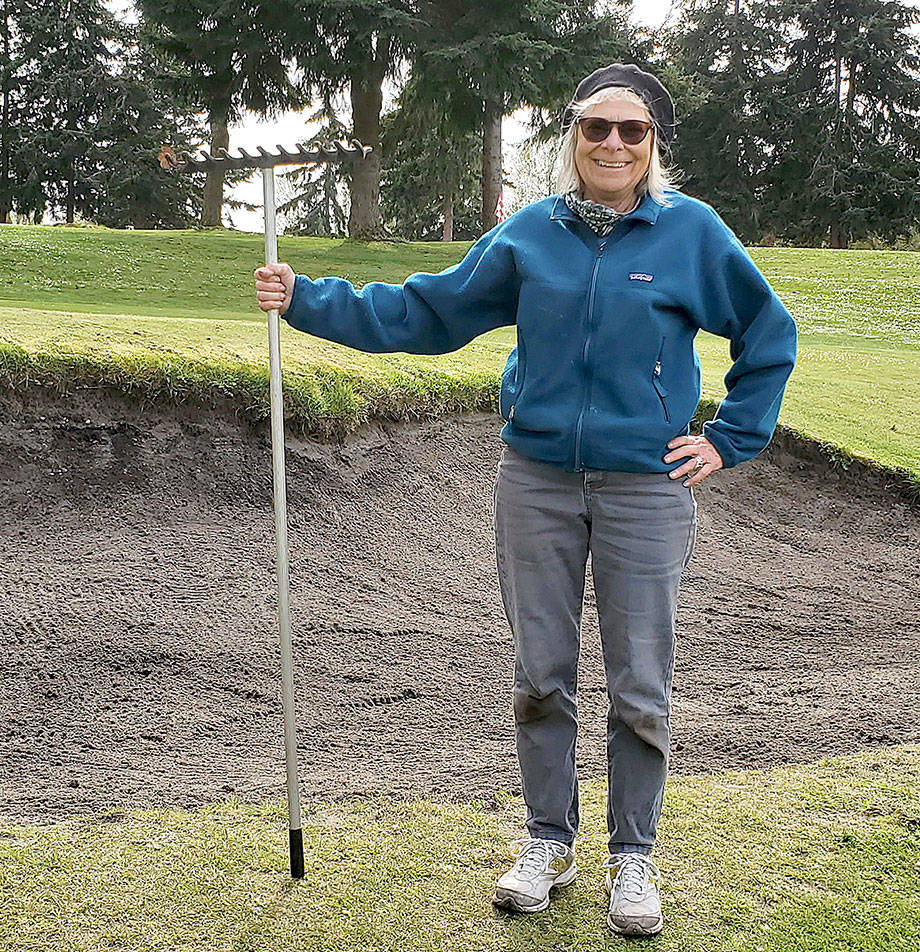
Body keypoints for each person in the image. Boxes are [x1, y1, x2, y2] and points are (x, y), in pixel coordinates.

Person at [254, 63, 798, 937]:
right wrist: (307, 300)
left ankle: (633, 857)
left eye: (631, 131)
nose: (612, 144)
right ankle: (549, 840)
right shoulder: (530, 235)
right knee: (542, 675)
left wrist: (728, 437)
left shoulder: (692, 234)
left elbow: (770, 332)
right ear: (572, 138)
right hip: (536, 480)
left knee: (640, 685)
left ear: (653, 144)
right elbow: (427, 313)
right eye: (596, 128)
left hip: (644, 489)